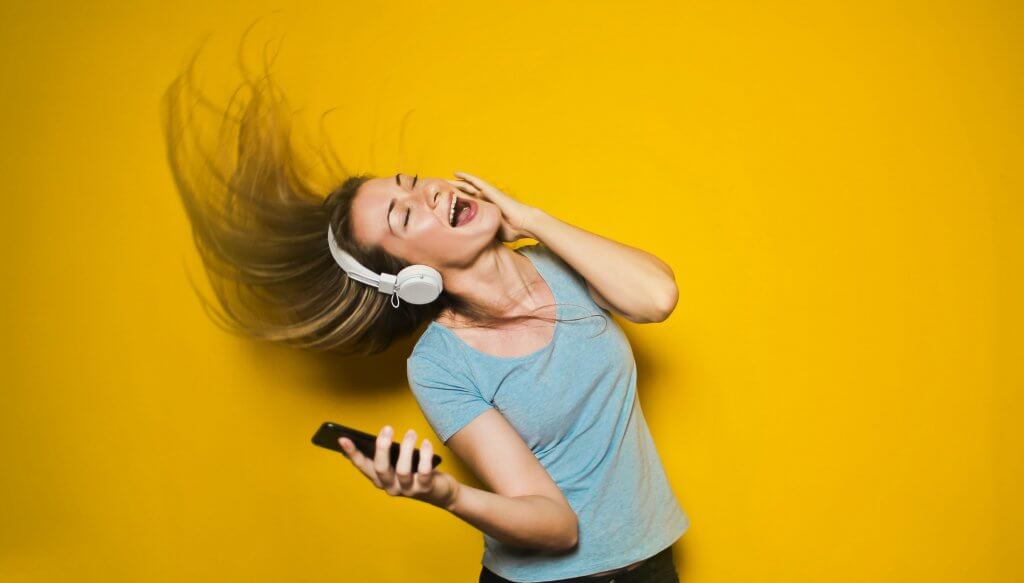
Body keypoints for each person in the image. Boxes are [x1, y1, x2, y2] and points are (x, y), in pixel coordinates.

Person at [162, 56, 690, 583]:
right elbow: (556, 527)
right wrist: (445, 493)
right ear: (410, 278)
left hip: (652, 563)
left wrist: (530, 218)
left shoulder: (564, 263)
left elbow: (657, 297)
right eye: (406, 214)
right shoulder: (439, 364)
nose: (430, 192)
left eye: (412, 182)